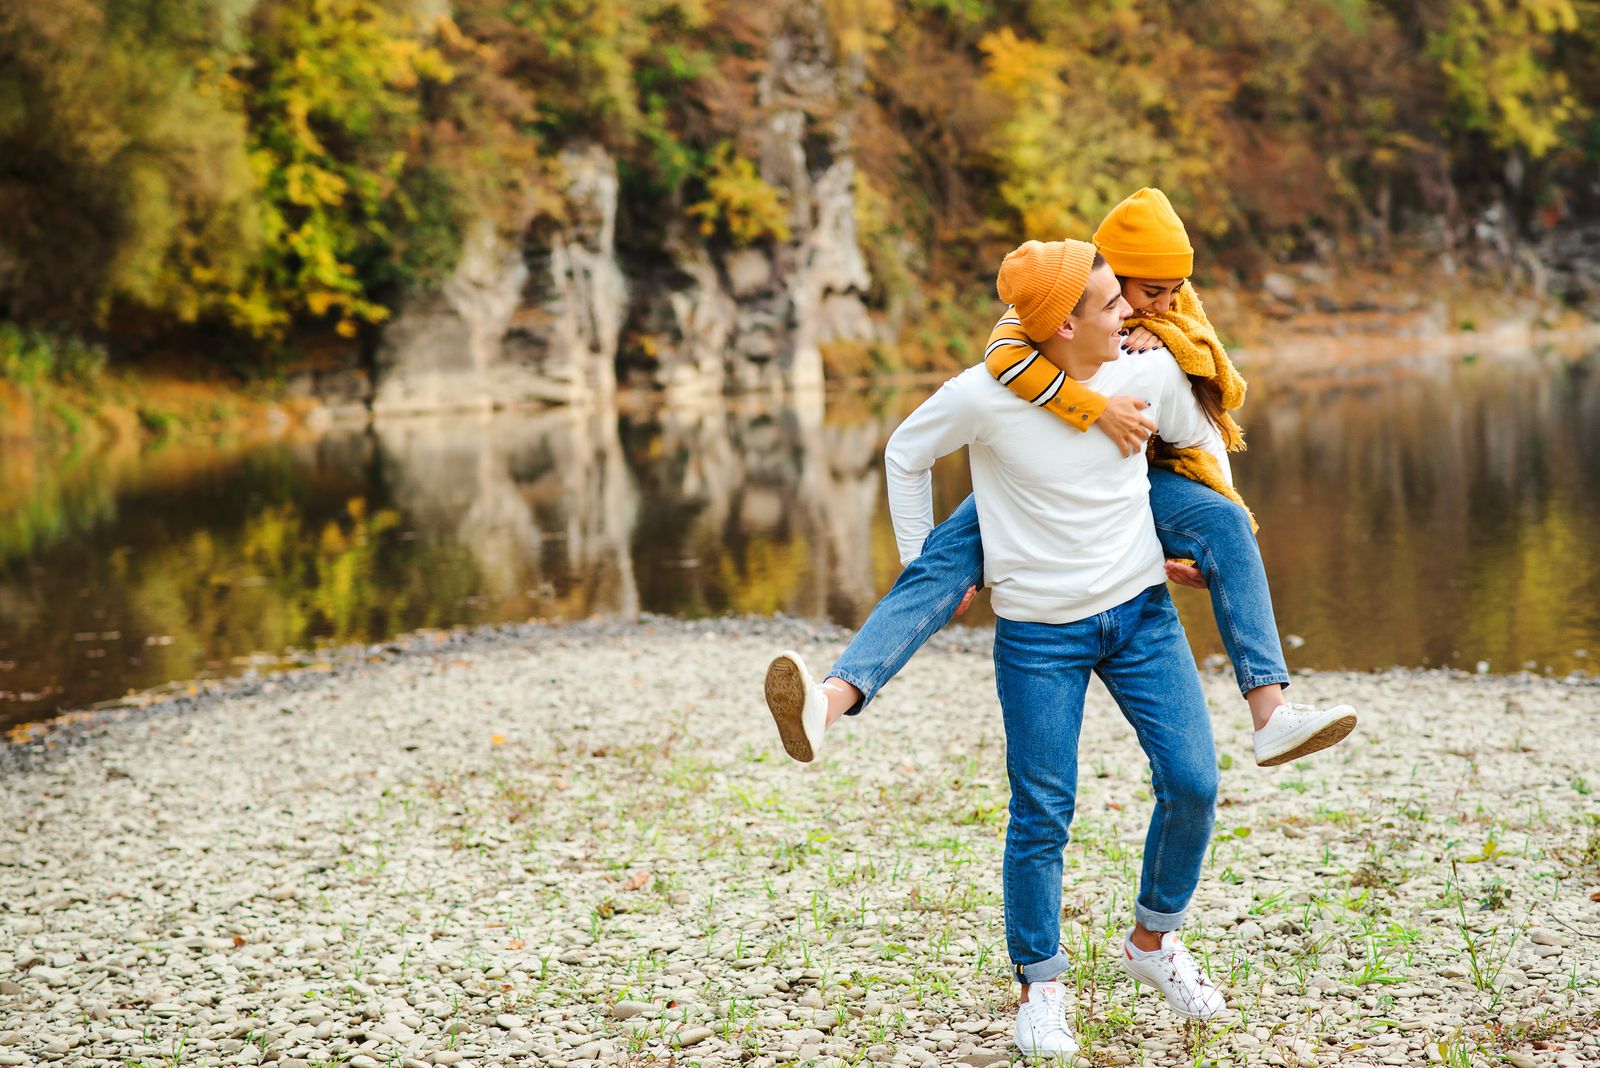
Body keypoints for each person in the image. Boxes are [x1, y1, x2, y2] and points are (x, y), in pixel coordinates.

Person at [764, 188, 1356, 769]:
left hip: (1148, 485)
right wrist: (1089, 407)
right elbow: (999, 358)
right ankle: (830, 701)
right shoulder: (1037, 320)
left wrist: (1211, 532)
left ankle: (1271, 713)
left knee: (1228, 521)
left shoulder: (1162, 339)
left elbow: (1205, 423)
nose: (1163, 307)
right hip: (1039, 501)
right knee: (936, 561)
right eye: (1151, 293)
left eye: (1176, 293)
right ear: (1103, 279)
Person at [878, 240, 1228, 1054]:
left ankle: (1155, 943)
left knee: (1195, 782)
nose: (1130, 314)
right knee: (1042, 813)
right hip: (1039, 635)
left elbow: (1199, 441)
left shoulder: (1143, 370)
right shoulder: (987, 394)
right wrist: (919, 558)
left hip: (1141, 612)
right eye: (1112, 305)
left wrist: (1198, 532)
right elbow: (905, 452)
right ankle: (1041, 987)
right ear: (1065, 325)